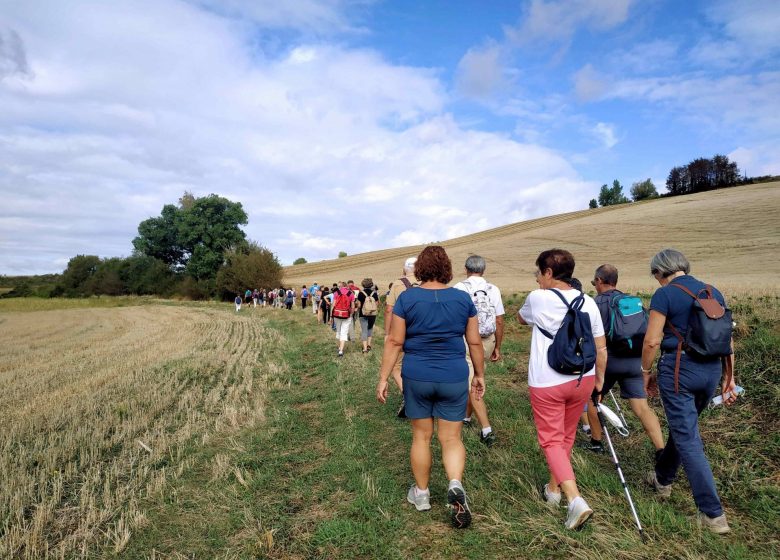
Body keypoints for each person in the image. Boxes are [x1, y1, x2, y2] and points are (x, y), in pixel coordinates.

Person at [376, 246, 485, 529]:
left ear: (420, 269)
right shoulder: (462, 299)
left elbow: (394, 341)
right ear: (447, 269)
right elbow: (474, 342)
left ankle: (422, 494)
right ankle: (455, 484)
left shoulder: (408, 299)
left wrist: (384, 377)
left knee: (421, 437)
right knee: (451, 439)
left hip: (418, 374)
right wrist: (480, 375)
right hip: (453, 374)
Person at [642, 248, 736, 534]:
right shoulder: (712, 291)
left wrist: (645, 372)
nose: (656, 280)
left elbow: (651, 341)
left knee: (688, 438)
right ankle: (663, 479)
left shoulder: (665, 294)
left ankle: (713, 515)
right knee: (684, 429)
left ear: (661, 272)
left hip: (679, 370)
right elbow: (725, 337)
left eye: (655, 275)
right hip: (711, 371)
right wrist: (729, 377)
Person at [517, 248, 606, 531]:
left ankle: (575, 499)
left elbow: (521, 319)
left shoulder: (538, 298)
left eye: (539, 273)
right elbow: (600, 345)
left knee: (551, 440)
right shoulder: (588, 301)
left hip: (547, 380)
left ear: (549, 273)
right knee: (566, 436)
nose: (538, 279)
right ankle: (553, 490)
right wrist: (599, 382)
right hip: (583, 378)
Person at [584, 264, 665, 456]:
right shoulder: (632, 301)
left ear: (599, 281)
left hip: (609, 362)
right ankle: (661, 449)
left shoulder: (596, 303)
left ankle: (596, 442)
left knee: (592, 399)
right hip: (635, 362)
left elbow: (590, 336)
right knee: (642, 408)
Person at [453, 255, 504, 447]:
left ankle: (486, 429)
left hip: (466, 339)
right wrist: (497, 345)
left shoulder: (459, 288)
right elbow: (499, 320)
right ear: (484, 270)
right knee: (476, 377)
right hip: (487, 339)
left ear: (466, 269)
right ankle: (466, 417)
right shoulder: (494, 289)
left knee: (473, 383)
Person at [385, 257, 418, 418]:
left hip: (402, 331)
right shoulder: (427, 283)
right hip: (423, 332)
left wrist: (387, 333)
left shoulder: (398, 284)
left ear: (405, 269)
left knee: (395, 365)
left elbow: (389, 310)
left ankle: (408, 395)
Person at [332, 282, 355, 357]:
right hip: (346, 315)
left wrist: (331, 316)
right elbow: (353, 306)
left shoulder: (336, 293)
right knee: (344, 332)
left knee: (338, 331)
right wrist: (351, 314)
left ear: (340, 286)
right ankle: (341, 351)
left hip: (337, 314)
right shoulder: (350, 293)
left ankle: (339, 347)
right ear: (346, 286)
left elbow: (333, 305)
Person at [356, 278, 379, 353]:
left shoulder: (360, 293)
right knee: (370, 329)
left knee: (364, 330)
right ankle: (369, 345)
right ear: (371, 284)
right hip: (372, 314)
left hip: (363, 314)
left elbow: (359, 305)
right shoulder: (374, 293)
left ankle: (365, 349)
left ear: (363, 285)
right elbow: (377, 304)